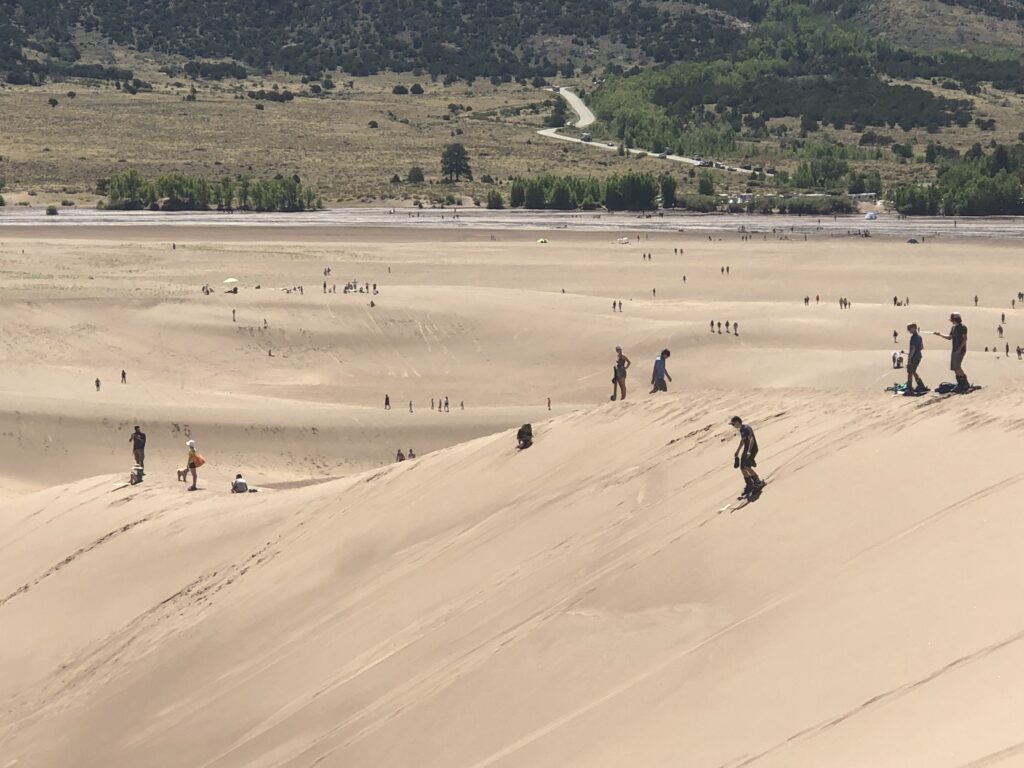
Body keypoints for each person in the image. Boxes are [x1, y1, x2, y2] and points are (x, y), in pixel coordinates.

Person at [934, 312, 970, 392]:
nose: (951, 321)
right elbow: (950, 337)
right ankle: (960, 384)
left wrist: (960, 349)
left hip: (960, 350)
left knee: (957, 367)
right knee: (954, 368)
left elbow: (965, 339)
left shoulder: (963, 327)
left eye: (952, 320)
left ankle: (965, 383)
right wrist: (940, 334)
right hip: (954, 350)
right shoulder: (953, 327)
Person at [730, 416, 763, 499]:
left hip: (752, 449)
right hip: (746, 450)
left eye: (733, 424)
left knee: (747, 466)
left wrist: (749, 451)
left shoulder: (747, 428)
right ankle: (750, 484)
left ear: (738, 422)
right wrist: (737, 451)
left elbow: (751, 439)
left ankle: (758, 482)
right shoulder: (741, 429)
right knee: (742, 467)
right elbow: (743, 440)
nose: (733, 426)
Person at [904, 323, 927, 394]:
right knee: (913, 371)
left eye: (909, 329)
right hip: (918, 356)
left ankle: (909, 388)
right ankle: (921, 385)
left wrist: (909, 358)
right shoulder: (919, 337)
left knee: (910, 372)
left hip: (914, 357)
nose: (908, 330)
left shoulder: (914, 337)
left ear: (914, 328)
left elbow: (913, 348)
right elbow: (921, 347)